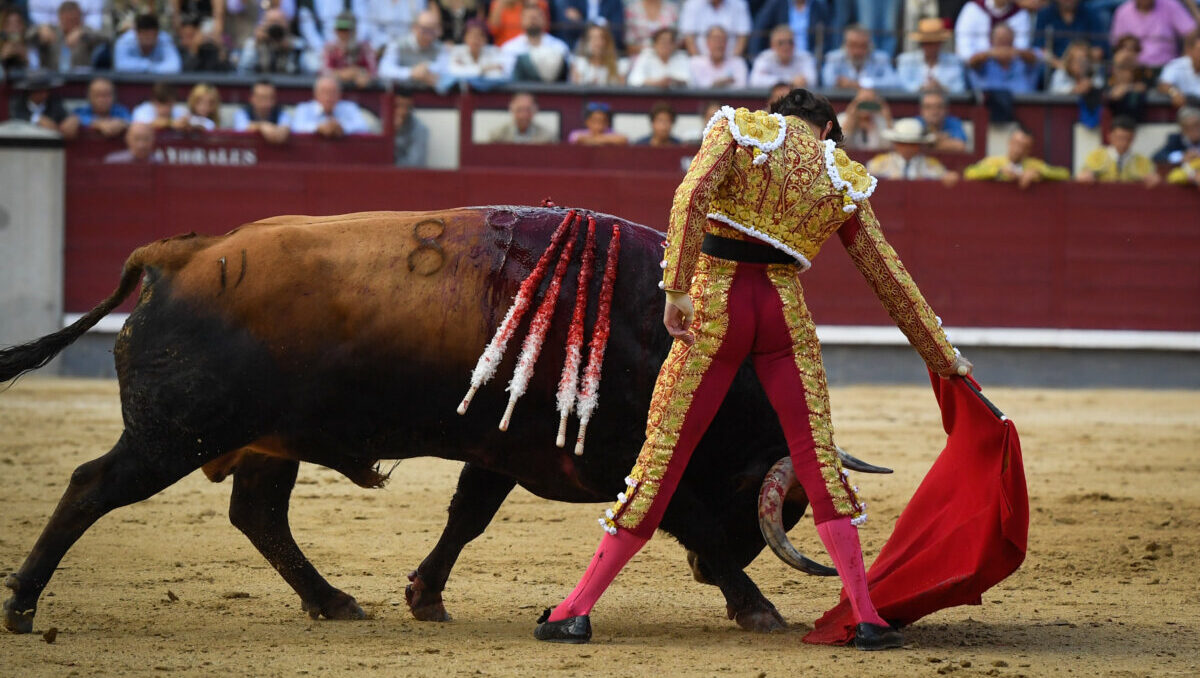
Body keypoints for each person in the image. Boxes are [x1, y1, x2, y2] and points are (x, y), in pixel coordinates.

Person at [533, 87, 970, 650]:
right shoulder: (840, 172)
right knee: (816, 458)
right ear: (829, 129)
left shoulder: (742, 129)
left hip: (717, 301)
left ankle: (577, 610)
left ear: (778, 114)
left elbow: (691, 196)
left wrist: (675, 285)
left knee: (665, 454)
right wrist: (944, 358)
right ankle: (867, 617)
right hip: (784, 312)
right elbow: (888, 275)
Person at [964, 125, 1070, 187]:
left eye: (1024, 146)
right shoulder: (994, 162)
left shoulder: (1034, 165)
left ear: (1029, 150)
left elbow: (1064, 174)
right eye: (1016, 144)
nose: (1018, 150)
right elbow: (969, 172)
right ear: (1009, 143)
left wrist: (1039, 173)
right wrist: (998, 172)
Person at [867, 117, 958, 183]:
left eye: (912, 144)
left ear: (919, 145)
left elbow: (947, 177)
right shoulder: (879, 163)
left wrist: (949, 177)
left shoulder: (931, 164)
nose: (907, 148)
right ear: (895, 144)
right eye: (903, 143)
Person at [1109, 0, 1197, 68]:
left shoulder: (1170, 5)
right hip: (1135, 70)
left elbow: (1191, 32)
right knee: (1119, 59)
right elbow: (1117, 45)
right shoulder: (1122, 11)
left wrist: (1184, 58)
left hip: (1166, 67)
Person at [1077, 115, 1160, 186]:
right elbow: (1082, 176)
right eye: (1119, 138)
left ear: (1133, 138)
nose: (1123, 143)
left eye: (1127, 138)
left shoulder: (1143, 162)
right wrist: (1085, 176)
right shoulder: (1096, 157)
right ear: (1110, 136)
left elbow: (1154, 179)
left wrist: (1154, 179)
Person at [29, 1, 106, 72]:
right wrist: (40, 29)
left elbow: (106, 37)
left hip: (79, 80)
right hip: (52, 79)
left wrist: (82, 32)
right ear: (60, 18)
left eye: (75, 20)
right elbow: (27, 36)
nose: (71, 24)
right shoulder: (51, 31)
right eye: (68, 20)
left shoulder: (85, 33)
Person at [499, 4, 570, 81]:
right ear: (521, 20)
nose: (532, 20)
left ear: (544, 19)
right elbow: (507, 75)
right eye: (529, 17)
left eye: (536, 17)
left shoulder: (559, 47)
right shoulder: (509, 48)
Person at [896, 17, 967, 93]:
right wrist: (921, 88)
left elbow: (960, 88)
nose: (931, 47)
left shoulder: (954, 62)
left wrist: (942, 88)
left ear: (940, 43)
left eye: (934, 43)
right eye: (927, 43)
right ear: (921, 44)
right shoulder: (906, 60)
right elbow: (900, 85)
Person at [966, 23, 1041, 93]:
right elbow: (971, 62)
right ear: (991, 40)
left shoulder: (1023, 60)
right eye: (999, 39)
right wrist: (990, 53)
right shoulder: (983, 61)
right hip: (990, 105)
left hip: (1022, 104)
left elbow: (1036, 57)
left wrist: (1017, 52)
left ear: (1013, 39)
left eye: (1007, 38)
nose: (1003, 42)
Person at [379, 9, 448, 86]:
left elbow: (446, 71)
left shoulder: (440, 48)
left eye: (433, 30)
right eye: (425, 29)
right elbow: (383, 70)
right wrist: (411, 73)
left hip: (428, 95)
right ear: (414, 28)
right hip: (402, 94)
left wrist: (428, 69)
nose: (429, 35)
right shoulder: (397, 44)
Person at [821, 24, 899, 89]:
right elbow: (827, 80)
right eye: (853, 45)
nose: (857, 51)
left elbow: (892, 81)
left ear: (870, 46)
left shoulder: (881, 58)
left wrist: (861, 83)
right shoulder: (833, 57)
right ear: (845, 45)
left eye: (863, 46)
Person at [289, 74, 370, 136]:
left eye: (332, 92)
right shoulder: (304, 108)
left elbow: (363, 128)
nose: (328, 96)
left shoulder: (350, 107)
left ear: (339, 94)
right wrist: (319, 128)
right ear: (316, 94)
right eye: (324, 92)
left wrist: (342, 128)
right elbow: (296, 128)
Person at [1033, 0, 1107, 65]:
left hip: (1085, 69)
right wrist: (1060, 65)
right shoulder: (1044, 14)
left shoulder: (1091, 14)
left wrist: (1079, 61)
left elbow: (1098, 51)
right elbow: (1040, 50)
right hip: (1053, 68)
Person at [954, 0, 1032, 62]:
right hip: (979, 66)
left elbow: (1022, 46)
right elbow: (964, 49)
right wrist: (988, 55)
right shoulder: (972, 8)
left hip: (1011, 65)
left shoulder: (1020, 13)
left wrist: (1002, 54)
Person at [8, 72, 79, 138]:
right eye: (39, 91)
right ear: (30, 92)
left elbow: (65, 116)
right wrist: (36, 119)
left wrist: (71, 119)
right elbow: (15, 116)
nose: (44, 94)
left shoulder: (54, 102)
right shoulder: (17, 103)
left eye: (46, 90)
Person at [749, 0, 831, 57]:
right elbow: (759, 28)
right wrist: (755, 55)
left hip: (808, 58)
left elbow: (827, 37)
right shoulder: (777, 4)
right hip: (779, 57)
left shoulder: (819, 7)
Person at [237, 7, 305, 74]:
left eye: (278, 22)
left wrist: (290, 47)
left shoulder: (294, 42)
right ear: (264, 24)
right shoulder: (255, 42)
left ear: (286, 24)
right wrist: (256, 43)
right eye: (271, 22)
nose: (275, 25)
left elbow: (305, 69)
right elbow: (244, 70)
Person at [749, 24, 816, 88]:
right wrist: (789, 81)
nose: (786, 46)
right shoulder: (765, 57)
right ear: (772, 45)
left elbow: (812, 80)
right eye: (781, 43)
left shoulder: (805, 57)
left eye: (790, 42)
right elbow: (755, 81)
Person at [678, 0, 752, 57]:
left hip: (730, 62)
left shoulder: (739, 4)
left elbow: (743, 37)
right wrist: (699, 63)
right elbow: (689, 38)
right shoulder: (692, 4)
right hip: (700, 61)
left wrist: (731, 64)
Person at [322, 11, 377, 88]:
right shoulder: (330, 48)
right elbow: (325, 73)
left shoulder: (365, 48)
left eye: (346, 30)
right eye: (339, 30)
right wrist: (346, 73)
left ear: (355, 31)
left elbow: (373, 72)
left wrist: (359, 72)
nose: (342, 34)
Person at [114, 13, 182, 73]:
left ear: (157, 34)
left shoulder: (165, 40)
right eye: (144, 35)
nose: (147, 39)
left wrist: (149, 68)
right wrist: (148, 65)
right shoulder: (124, 41)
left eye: (151, 35)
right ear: (136, 33)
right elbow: (120, 66)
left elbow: (174, 67)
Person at [231, 79, 291, 143]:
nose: (266, 102)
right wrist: (260, 126)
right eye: (262, 98)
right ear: (252, 98)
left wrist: (282, 130)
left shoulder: (281, 113)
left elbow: (286, 127)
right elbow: (241, 128)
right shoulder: (242, 113)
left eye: (270, 98)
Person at [487, 91, 556, 143]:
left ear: (535, 110)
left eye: (528, 110)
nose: (523, 115)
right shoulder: (498, 136)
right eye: (519, 110)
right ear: (512, 109)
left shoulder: (547, 137)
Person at [559, 0, 626, 51]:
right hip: (578, 47)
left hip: (605, 50)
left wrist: (581, 22)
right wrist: (601, 23)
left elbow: (617, 32)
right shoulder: (574, 1)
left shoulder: (614, 2)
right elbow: (568, 28)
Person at [362, 0, 427, 51]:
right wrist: (388, 47)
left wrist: (398, 46)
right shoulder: (375, 1)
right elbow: (372, 28)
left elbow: (419, 27)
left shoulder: (418, 1)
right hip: (381, 49)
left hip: (408, 49)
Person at [1159, 29, 1200, 106]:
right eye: (1199, 50)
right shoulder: (1177, 65)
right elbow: (1163, 84)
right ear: (1190, 51)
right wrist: (1174, 93)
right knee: (1192, 117)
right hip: (1188, 106)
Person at [393, 90, 430, 167]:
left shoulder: (419, 129)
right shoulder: (380, 125)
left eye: (407, 107)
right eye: (398, 106)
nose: (402, 111)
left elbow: (416, 164)